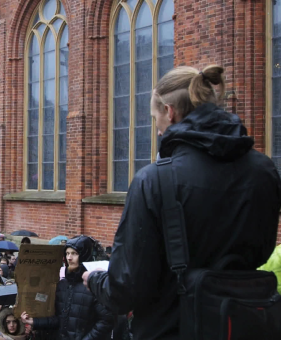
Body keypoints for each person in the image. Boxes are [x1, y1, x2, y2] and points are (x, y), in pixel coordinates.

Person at [84, 65, 281, 340]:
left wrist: (94, 280)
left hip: (172, 328)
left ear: (169, 111)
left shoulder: (153, 180)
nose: (158, 130)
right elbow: (261, 251)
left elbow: (126, 290)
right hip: (247, 324)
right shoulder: (265, 171)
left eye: (155, 119)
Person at [21, 235, 114, 340]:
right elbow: (58, 320)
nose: (69, 258)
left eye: (74, 253)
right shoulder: (62, 285)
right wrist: (34, 321)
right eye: (67, 253)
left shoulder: (93, 286)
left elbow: (106, 320)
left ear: (84, 255)